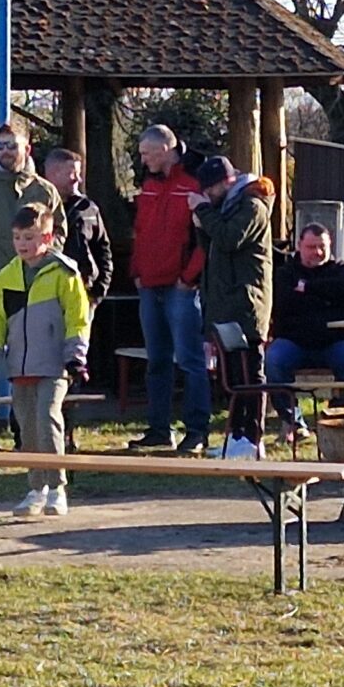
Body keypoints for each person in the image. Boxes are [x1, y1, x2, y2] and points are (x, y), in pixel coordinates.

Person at [0, 203, 93, 518]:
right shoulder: (4, 279)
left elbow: (78, 319)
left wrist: (75, 358)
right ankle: (36, 488)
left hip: (54, 366)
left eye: (29, 237)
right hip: (19, 369)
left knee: (47, 420)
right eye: (17, 237)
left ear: (47, 237)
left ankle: (57, 488)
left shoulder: (65, 274)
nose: (22, 244)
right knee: (27, 428)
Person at [0, 123, 64, 449]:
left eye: (11, 146)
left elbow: (60, 234)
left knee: (31, 361)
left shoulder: (45, 190)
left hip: (36, 291)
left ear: (26, 149)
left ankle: (26, 434)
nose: (5, 152)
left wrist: (43, 264)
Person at [126, 125, 211, 453]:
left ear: (165, 149)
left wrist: (189, 277)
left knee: (190, 360)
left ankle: (197, 430)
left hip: (180, 287)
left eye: (147, 153)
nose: (143, 159)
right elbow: (141, 231)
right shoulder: (148, 185)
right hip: (149, 284)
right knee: (157, 361)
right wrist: (136, 270)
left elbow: (204, 238)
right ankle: (159, 429)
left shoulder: (193, 183)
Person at [193, 154, 275, 454]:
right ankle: (237, 436)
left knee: (250, 373)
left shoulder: (253, 205)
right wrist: (201, 225)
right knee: (233, 376)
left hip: (246, 304)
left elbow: (229, 239)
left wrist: (203, 211)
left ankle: (253, 439)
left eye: (210, 190)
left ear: (226, 182)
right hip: (227, 304)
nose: (207, 195)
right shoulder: (227, 207)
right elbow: (214, 248)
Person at [265, 223, 344, 433]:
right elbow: (285, 302)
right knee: (273, 359)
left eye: (322, 247)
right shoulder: (285, 273)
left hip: (336, 343)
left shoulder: (343, 270)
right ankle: (292, 420)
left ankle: (339, 418)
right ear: (299, 245)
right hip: (294, 343)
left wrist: (306, 288)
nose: (317, 252)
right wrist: (327, 298)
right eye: (311, 247)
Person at [42, 146, 114, 307]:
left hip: (85, 292)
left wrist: (99, 290)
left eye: (79, 173)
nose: (78, 179)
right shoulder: (38, 208)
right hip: (48, 294)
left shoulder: (87, 208)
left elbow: (103, 249)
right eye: (72, 173)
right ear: (53, 173)